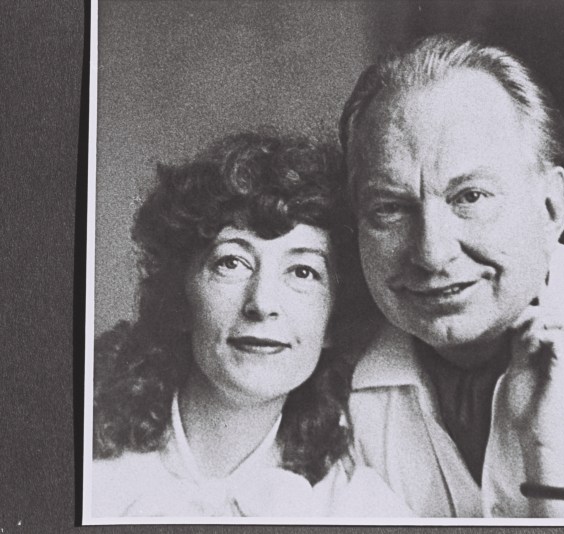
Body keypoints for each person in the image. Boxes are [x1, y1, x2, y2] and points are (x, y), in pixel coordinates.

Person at [339, 35, 564, 518]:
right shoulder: (329, 382)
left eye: (470, 197)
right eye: (390, 208)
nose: (431, 254)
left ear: (551, 207)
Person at [90, 131, 412, 518]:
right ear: (179, 297)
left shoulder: (357, 508)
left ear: (333, 321)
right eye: (231, 263)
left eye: (303, 271)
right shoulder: (84, 461)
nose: (262, 304)